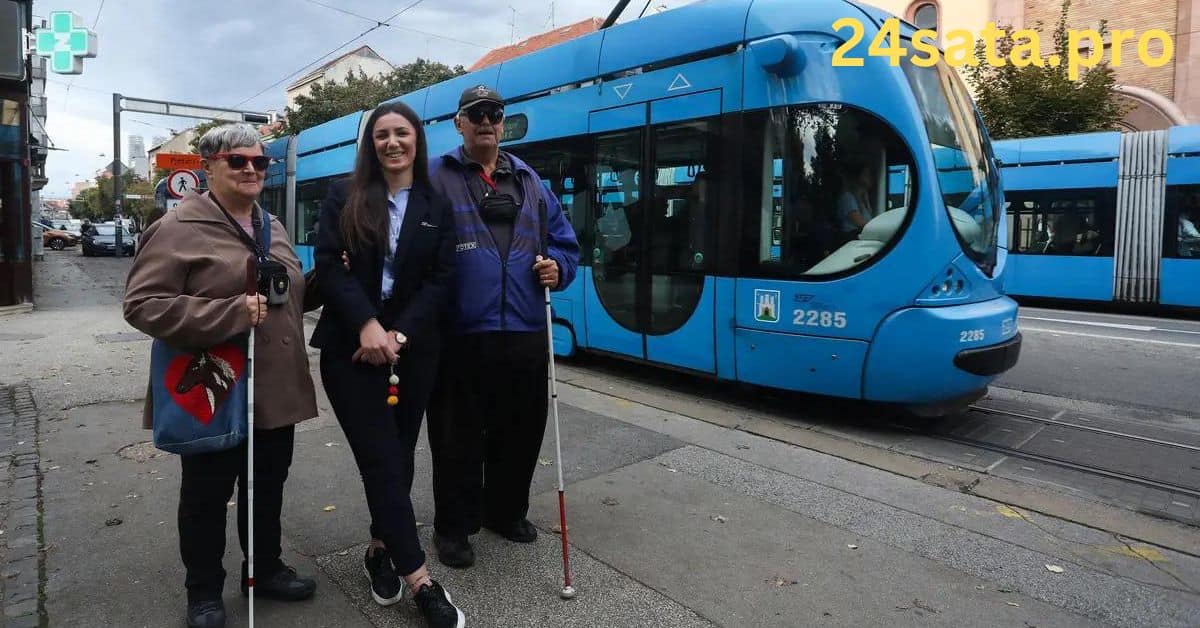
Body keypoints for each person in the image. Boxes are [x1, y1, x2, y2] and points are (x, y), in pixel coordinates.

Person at [123, 123, 318, 628]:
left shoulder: (270, 225)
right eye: (238, 161)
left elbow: (289, 294)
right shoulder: (178, 228)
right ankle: (204, 591)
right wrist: (231, 313)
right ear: (208, 167)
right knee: (207, 495)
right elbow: (143, 305)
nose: (251, 169)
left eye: (260, 161)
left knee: (267, 486)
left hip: (274, 388)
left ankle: (266, 569)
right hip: (213, 387)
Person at [309, 101, 463, 627]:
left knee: (399, 452)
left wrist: (397, 332)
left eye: (402, 133)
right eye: (381, 135)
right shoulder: (344, 196)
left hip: (413, 351)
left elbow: (441, 281)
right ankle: (420, 579)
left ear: (417, 141)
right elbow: (329, 266)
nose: (392, 142)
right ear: (370, 145)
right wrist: (366, 325)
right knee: (381, 457)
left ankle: (379, 550)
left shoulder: (435, 204)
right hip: (349, 351)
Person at [426, 85, 580, 568]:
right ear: (459, 123)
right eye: (476, 114)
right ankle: (454, 527)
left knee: (522, 430)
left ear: (503, 120)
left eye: (494, 113)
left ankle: (505, 511)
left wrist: (558, 266)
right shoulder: (436, 177)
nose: (486, 121)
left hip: (525, 328)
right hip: (460, 334)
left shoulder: (531, 182)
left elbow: (566, 245)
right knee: (457, 437)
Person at [837, 161, 876, 235]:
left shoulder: (862, 199)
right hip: (852, 239)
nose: (871, 177)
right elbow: (860, 223)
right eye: (867, 174)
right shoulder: (847, 197)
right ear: (859, 176)